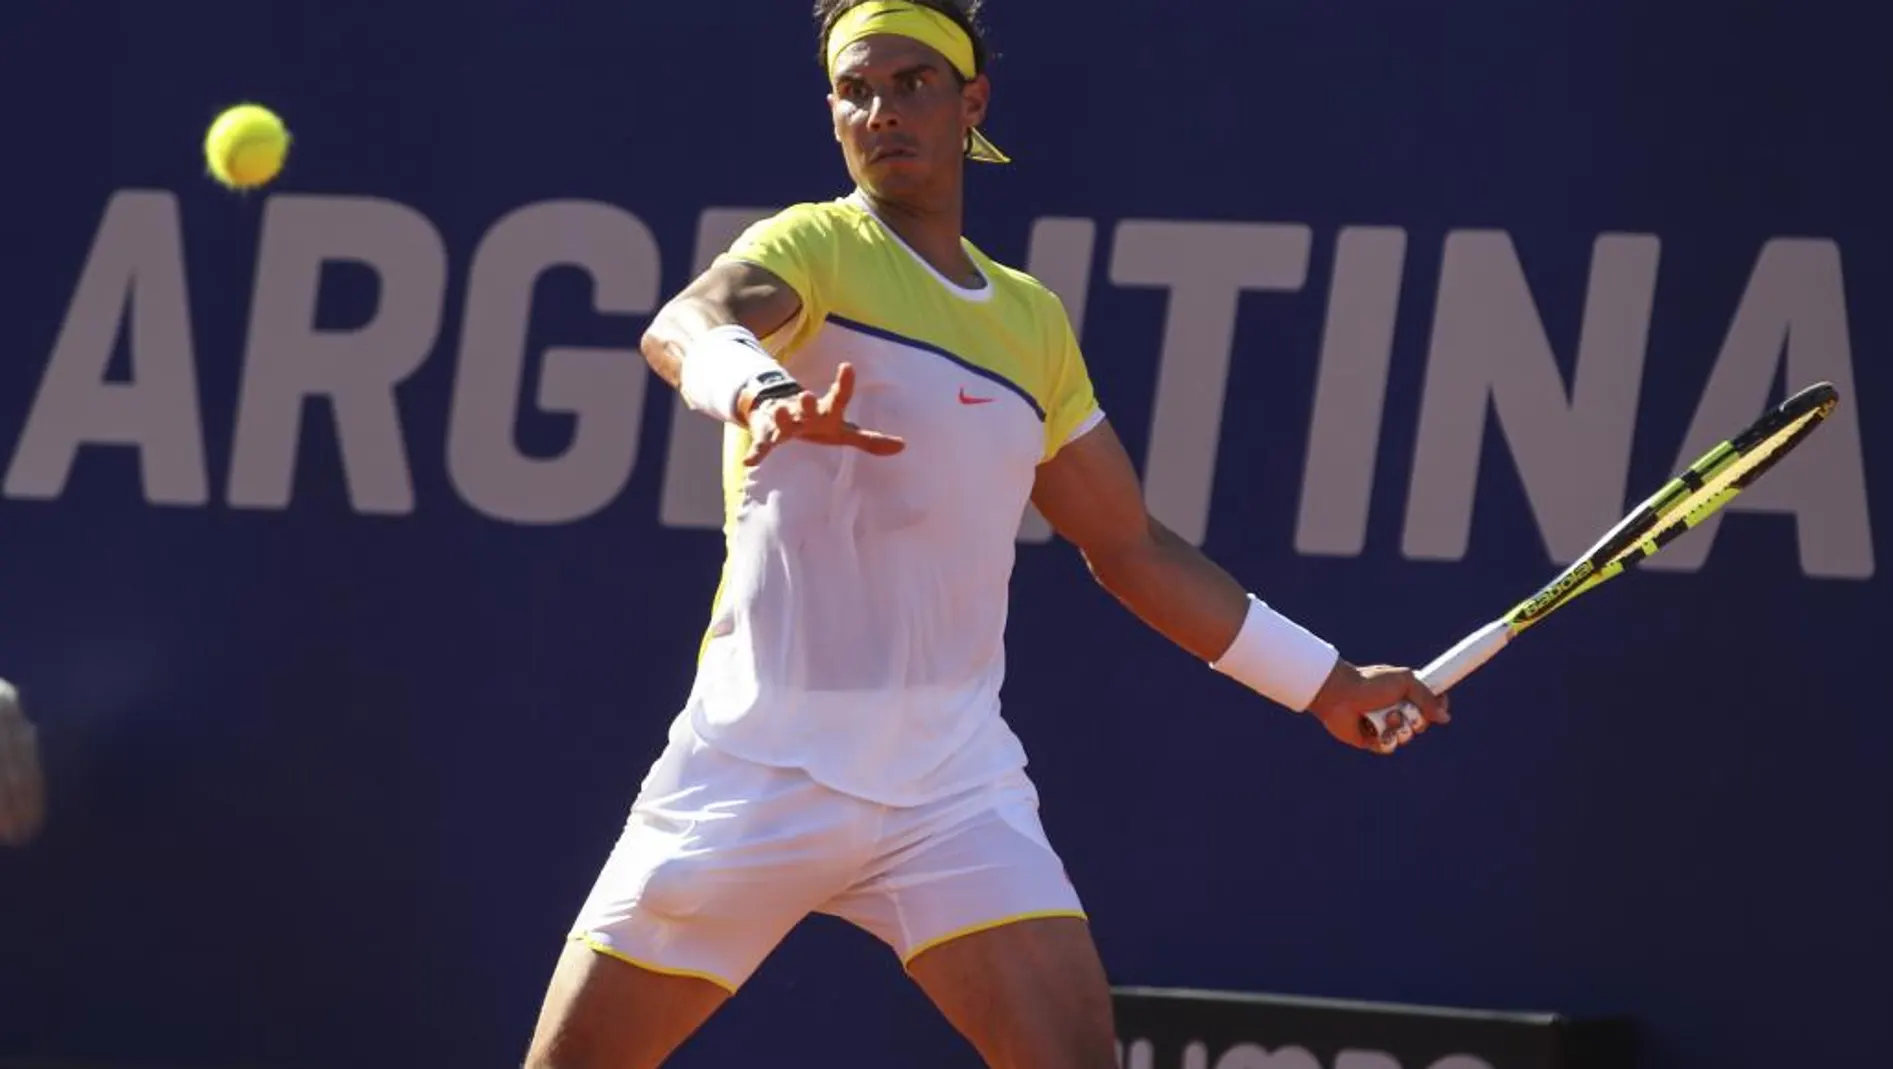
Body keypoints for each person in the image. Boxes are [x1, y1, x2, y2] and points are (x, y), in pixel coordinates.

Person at [523, 2, 1449, 1066]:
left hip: (949, 793)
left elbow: (1128, 546)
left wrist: (1327, 683)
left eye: (913, 82)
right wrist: (760, 388)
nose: (881, 110)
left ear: (972, 104)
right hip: (753, 773)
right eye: (855, 90)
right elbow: (688, 323)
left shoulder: (1030, 323)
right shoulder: (811, 245)